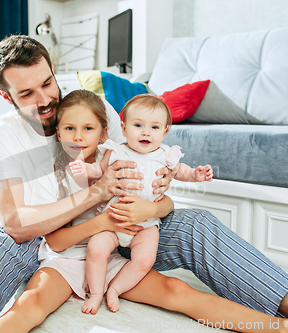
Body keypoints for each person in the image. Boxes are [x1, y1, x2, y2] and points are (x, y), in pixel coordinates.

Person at [0, 35, 288, 333]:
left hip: (123, 225)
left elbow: (145, 174)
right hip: (43, 235)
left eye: (48, 82)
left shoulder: (94, 107)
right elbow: (15, 223)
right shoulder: (2, 135)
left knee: (197, 223)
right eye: (27, 93)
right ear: (8, 97)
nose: (45, 99)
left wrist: (157, 208)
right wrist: (94, 198)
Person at [0, 89, 288, 333]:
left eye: (88, 128)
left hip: (115, 253)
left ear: (105, 133)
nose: (77, 136)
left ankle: (283, 329)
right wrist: (103, 217)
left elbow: (162, 198)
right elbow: (55, 242)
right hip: (66, 260)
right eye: (69, 129)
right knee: (30, 305)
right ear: (57, 132)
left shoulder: (115, 159)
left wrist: (155, 204)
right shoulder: (53, 172)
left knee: (178, 292)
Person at [69, 94, 213, 314]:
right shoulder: (117, 151)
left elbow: (181, 171)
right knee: (96, 248)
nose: (146, 132)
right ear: (124, 128)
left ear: (164, 132)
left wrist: (196, 174)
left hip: (146, 225)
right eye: (138, 125)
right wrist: (84, 168)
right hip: (114, 219)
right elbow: (98, 170)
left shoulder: (166, 155)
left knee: (145, 260)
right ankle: (96, 292)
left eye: (154, 127)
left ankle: (115, 289)